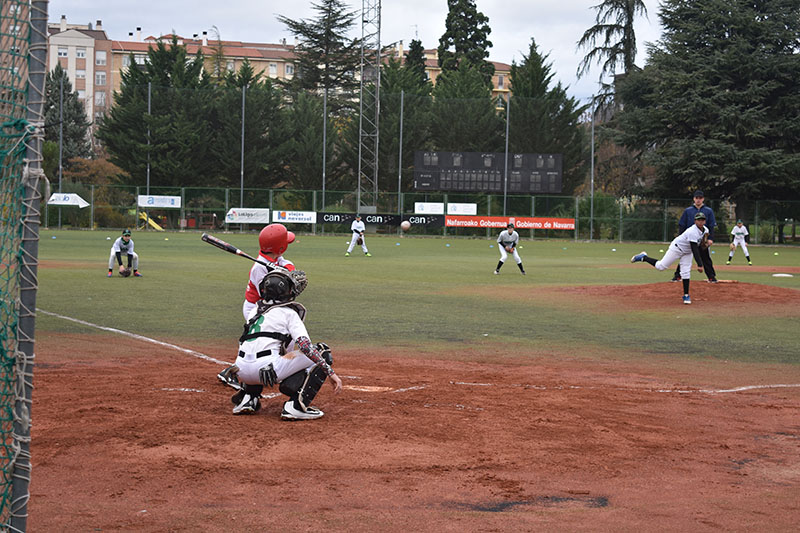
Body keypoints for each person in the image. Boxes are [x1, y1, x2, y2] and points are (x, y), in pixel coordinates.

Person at [227, 267, 342, 420]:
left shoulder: (255, 311)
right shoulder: (289, 313)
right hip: (266, 370)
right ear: (287, 291)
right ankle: (295, 406)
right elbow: (306, 347)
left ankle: (249, 398)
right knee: (321, 351)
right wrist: (330, 373)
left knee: (259, 349)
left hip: (240, 370)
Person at [218, 223, 297, 389]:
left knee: (283, 336)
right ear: (281, 248)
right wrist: (277, 274)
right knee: (260, 340)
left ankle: (280, 366)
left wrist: (282, 270)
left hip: (269, 307)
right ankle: (234, 372)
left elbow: (289, 266)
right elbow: (269, 295)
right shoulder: (258, 269)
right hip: (256, 307)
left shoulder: (276, 259)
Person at [631, 211, 709, 305]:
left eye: (702, 220)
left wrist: (705, 244)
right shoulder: (692, 231)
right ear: (695, 221)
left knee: (685, 272)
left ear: (705, 221)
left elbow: (701, 244)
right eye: (698, 220)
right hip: (677, 248)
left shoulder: (706, 230)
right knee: (661, 267)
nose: (700, 222)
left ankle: (686, 295)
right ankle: (644, 257)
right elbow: (694, 248)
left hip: (687, 252)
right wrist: (700, 264)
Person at [671, 190, 717, 283]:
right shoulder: (688, 211)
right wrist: (681, 237)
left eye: (700, 198)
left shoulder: (708, 211)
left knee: (706, 258)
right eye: (697, 198)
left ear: (703, 199)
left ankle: (711, 277)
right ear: (694, 199)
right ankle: (677, 276)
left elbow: (711, 225)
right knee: (684, 257)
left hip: (702, 239)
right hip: (689, 239)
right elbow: (682, 225)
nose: (698, 200)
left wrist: (711, 238)